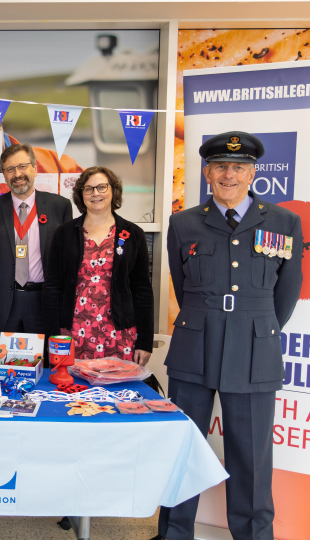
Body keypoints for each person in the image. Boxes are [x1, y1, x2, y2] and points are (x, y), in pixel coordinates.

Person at [153, 132, 302, 540]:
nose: (229, 174)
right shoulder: (183, 223)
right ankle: (174, 533)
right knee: (183, 448)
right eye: (220, 166)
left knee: (251, 456)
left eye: (238, 167)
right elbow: (183, 288)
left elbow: (285, 294)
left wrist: (256, 328)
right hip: (194, 347)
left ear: (253, 173)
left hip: (254, 351)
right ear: (207, 172)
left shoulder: (285, 222)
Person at [42, 166, 154, 366]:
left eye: (102, 187)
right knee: (73, 391)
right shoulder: (64, 233)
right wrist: (52, 337)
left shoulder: (133, 233)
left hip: (120, 333)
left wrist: (145, 342)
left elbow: (143, 290)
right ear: (81, 194)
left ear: (113, 190)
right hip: (74, 331)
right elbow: (52, 286)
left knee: (118, 392)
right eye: (88, 189)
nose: (96, 194)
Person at [0, 144, 72, 357]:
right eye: (10, 169)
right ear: (3, 174)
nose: (17, 174)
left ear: (35, 168)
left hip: (43, 303)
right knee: (4, 369)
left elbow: (66, 258)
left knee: (43, 370)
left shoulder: (60, 206)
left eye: (22, 166)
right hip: (3, 304)